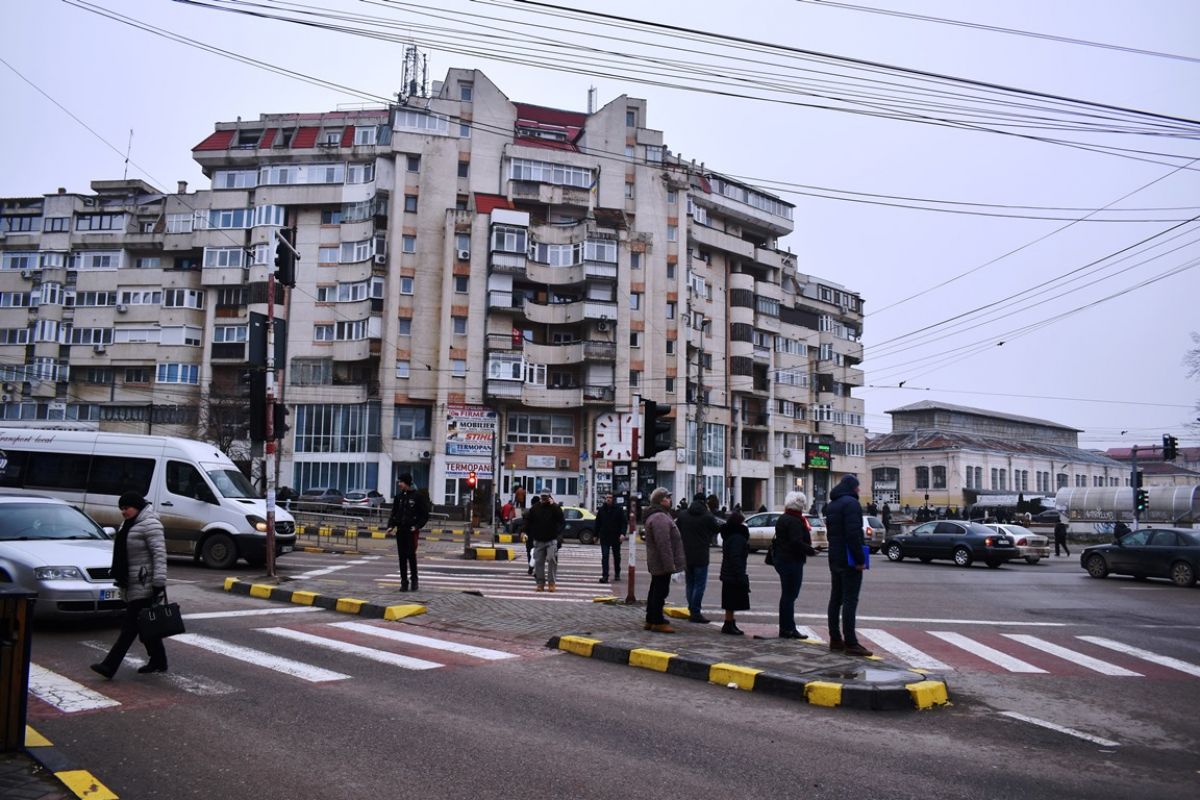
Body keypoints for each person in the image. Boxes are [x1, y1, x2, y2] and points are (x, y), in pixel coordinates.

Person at [91, 492, 168, 679]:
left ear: (138, 506)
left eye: (127, 508)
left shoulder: (150, 524)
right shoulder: (129, 523)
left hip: (145, 583)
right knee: (145, 625)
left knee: (129, 627)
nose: (123, 512)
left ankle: (109, 666)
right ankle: (159, 661)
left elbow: (159, 554)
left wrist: (158, 583)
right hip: (131, 581)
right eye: (121, 509)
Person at [825, 475, 872, 657]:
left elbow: (831, 534)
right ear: (852, 487)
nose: (859, 490)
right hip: (848, 559)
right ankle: (851, 643)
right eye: (857, 487)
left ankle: (835, 639)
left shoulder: (832, 505)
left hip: (835, 557)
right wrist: (860, 559)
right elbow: (853, 534)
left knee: (835, 599)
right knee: (850, 600)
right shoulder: (851, 504)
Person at [772, 490, 815, 640]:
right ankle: (788, 629)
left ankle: (786, 628)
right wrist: (810, 550)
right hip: (792, 561)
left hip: (782, 559)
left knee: (787, 595)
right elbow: (796, 542)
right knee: (790, 595)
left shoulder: (783, 518)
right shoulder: (795, 520)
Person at [643, 487, 685, 633]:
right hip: (661, 562)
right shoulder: (660, 518)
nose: (670, 500)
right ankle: (657, 621)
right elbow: (664, 544)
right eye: (667, 498)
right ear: (660, 501)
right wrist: (669, 565)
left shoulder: (659, 515)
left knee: (655, 589)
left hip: (657, 561)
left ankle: (651, 618)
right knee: (660, 592)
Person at [676, 492, 721, 623]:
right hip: (701, 555)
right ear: (704, 502)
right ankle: (695, 612)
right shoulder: (707, 516)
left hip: (686, 554)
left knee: (690, 584)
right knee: (699, 585)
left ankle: (692, 610)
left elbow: (677, 530)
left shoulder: (683, 515)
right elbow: (717, 529)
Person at [386, 473, 430, 592]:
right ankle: (404, 582)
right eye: (399, 482)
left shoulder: (418, 496)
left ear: (406, 483)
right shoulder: (399, 497)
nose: (399, 484)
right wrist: (391, 526)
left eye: (401, 482)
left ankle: (414, 580)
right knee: (402, 557)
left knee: (411, 555)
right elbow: (394, 513)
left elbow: (425, 515)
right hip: (401, 530)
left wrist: (417, 526)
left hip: (411, 531)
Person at [718, 511, 750, 635]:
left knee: (729, 601)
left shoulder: (730, 535)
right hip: (733, 573)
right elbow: (735, 557)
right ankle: (729, 624)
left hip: (728, 572)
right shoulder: (737, 537)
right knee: (732, 601)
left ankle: (729, 622)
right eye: (743, 522)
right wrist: (740, 574)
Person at [525, 490, 564, 591]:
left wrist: (554, 505)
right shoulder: (535, 508)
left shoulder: (554, 507)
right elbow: (528, 520)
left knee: (552, 559)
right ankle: (540, 584)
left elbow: (561, 519)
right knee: (539, 562)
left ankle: (551, 583)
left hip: (551, 539)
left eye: (546, 497)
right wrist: (524, 531)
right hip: (538, 540)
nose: (544, 498)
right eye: (542, 496)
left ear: (549, 497)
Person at [595, 493, 626, 583]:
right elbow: (598, 523)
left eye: (610, 498)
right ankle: (605, 575)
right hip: (604, 536)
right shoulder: (602, 510)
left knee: (617, 556)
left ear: (613, 499)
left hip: (616, 536)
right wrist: (595, 535)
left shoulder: (618, 509)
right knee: (605, 556)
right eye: (607, 497)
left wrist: (622, 533)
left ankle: (617, 573)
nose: (608, 499)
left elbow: (624, 522)